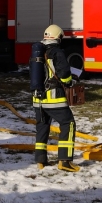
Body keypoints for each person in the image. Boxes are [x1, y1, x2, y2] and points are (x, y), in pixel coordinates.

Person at [31, 24, 79, 173]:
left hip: (37, 99)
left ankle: (40, 160)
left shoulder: (38, 52)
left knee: (42, 126)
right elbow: (64, 74)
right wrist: (70, 82)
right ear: (58, 37)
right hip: (54, 98)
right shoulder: (57, 52)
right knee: (68, 124)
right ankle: (64, 161)